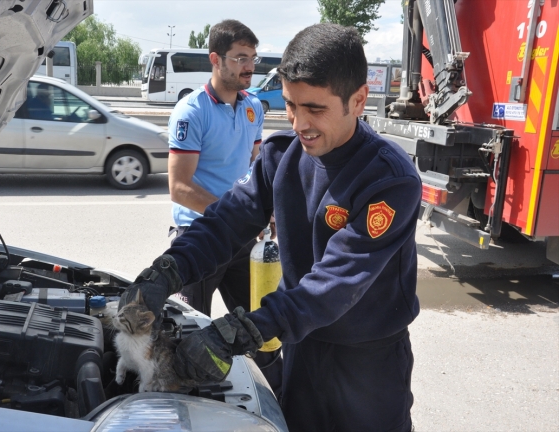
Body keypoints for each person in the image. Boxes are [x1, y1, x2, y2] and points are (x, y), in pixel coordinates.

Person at [124, 23, 421, 431]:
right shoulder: (281, 157)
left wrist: (239, 331)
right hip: (302, 347)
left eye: (315, 109)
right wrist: (166, 271)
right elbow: (225, 223)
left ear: (358, 99)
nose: (299, 124)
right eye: (291, 105)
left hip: (366, 364)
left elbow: (335, 284)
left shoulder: (389, 178)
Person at [165, 20, 283, 397]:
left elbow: (255, 166)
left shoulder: (253, 107)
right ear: (216, 59)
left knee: (259, 327)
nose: (250, 66)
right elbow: (180, 188)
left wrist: (269, 208)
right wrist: (238, 213)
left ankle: (278, 397)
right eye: (241, 58)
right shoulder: (191, 112)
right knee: (185, 331)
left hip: (242, 240)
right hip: (199, 237)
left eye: (253, 58)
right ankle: (179, 403)